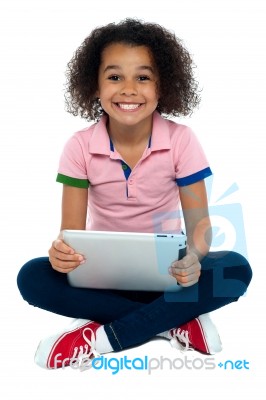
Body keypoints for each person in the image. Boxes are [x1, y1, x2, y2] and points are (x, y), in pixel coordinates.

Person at [17, 18, 252, 370]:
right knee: (32, 276)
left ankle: (103, 338)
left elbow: (200, 230)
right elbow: (70, 235)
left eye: (143, 77)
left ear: (163, 87)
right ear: (94, 86)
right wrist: (61, 253)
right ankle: (176, 322)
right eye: (114, 77)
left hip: (169, 277)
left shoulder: (181, 140)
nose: (128, 89)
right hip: (100, 280)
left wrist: (193, 259)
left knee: (236, 268)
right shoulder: (79, 147)